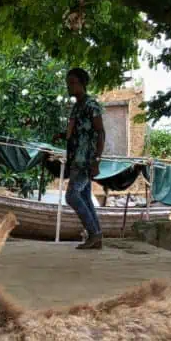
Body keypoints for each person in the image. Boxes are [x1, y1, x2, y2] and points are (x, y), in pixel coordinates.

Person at [62, 68, 106, 250]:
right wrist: (61, 136)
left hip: (85, 160)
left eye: (72, 82)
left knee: (72, 196)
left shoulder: (91, 105)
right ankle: (96, 236)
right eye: (68, 83)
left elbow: (100, 132)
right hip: (75, 158)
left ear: (82, 83)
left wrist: (97, 159)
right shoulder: (77, 106)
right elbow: (75, 132)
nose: (69, 86)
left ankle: (94, 234)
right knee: (85, 197)